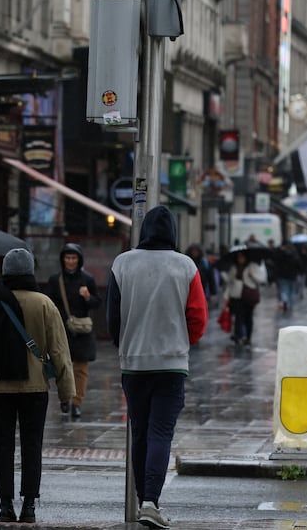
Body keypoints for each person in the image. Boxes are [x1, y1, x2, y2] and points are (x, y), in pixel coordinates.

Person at [106, 205, 208, 529]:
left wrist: (124, 343)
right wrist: (182, 342)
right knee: (161, 432)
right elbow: (198, 317)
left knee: (140, 430)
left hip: (134, 364)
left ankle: (142, 500)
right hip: (171, 363)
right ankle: (151, 501)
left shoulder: (122, 263)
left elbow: (112, 318)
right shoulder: (186, 266)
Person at [0, 248, 75, 523]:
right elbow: (59, 350)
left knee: (2, 447)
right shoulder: (44, 303)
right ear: (31, 271)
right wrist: (67, 392)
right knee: (32, 446)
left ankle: (5, 504)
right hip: (35, 388)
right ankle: (29, 504)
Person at [44, 243, 101, 419]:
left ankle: (77, 403)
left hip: (82, 331)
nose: (70, 261)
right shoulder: (55, 280)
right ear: (62, 259)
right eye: (67, 258)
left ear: (79, 260)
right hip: (61, 330)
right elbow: (49, 303)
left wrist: (87, 297)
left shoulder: (87, 279)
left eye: (74, 258)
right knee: (61, 367)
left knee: (81, 369)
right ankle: (64, 398)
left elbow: (97, 302)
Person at [221, 249, 267, 347]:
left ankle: (248, 337)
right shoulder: (234, 267)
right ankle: (238, 336)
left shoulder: (252, 266)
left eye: (242, 257)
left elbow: (261, 280)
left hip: (249, 295)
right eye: (239, 257)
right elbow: (229, 281)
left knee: (248, 317)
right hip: (236, 295)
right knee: (238, 317)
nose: (240, 259)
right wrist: (226, 292)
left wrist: (252, 275)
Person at [272, 242, 301, 313]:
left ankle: (285, 300)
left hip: (282, 276)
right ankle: (290, 305)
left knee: (284, 290)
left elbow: (275, 262)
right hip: (292, 276)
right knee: (292, 291)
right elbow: (298, 264)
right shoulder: (294, 254)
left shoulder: (280, 254)